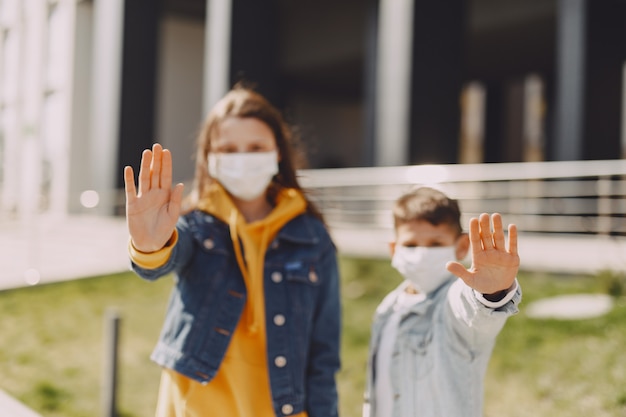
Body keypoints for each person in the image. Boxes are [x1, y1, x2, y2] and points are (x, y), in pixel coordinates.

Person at [123, 86, 341, 417]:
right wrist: (150, 245)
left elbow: (323, 352)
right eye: (229, 149)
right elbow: (163, 260)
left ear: (278, 151)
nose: (243, 159)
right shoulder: (194, 225)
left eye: (255, 148)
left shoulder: (313, 237)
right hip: (194, 405)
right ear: (210, 157)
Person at [363, 186, 521, 417]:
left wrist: (492, 292)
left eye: (436, 244)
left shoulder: (453, 299)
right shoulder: (388, 307)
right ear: (393, 249)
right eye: (410, 245)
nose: (422, 254)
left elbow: (471, 312)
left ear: (462, 246)